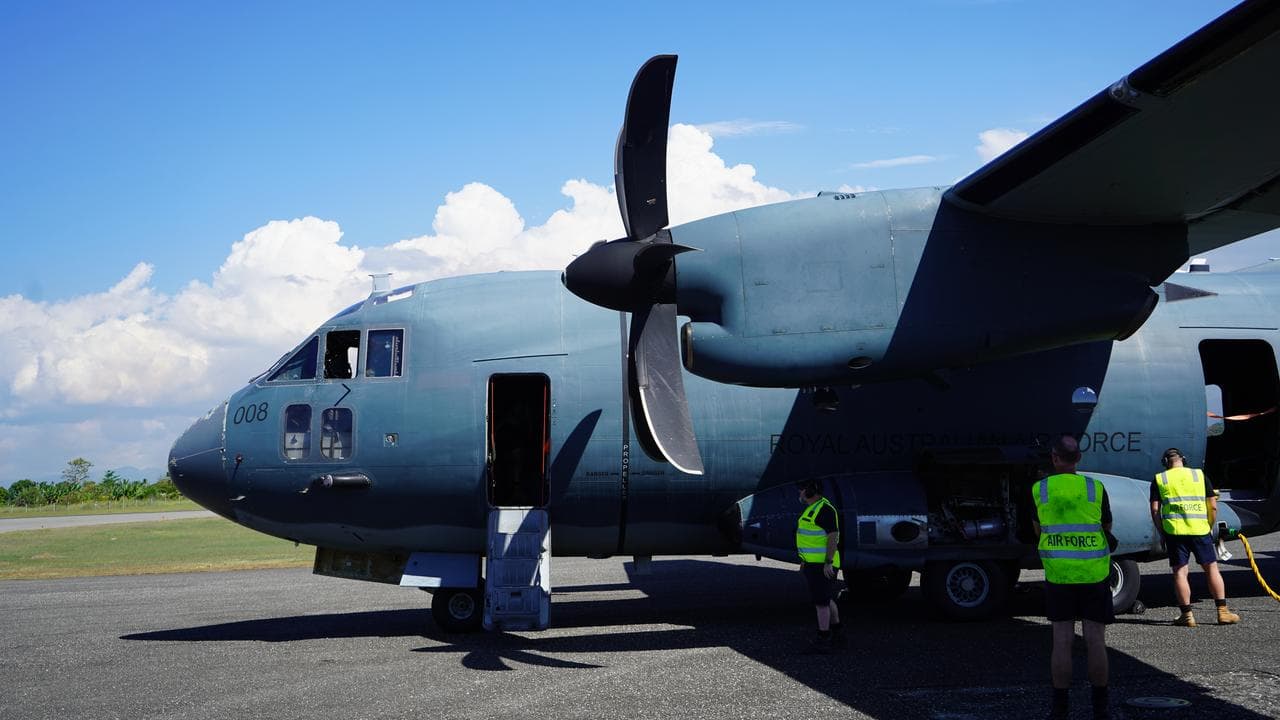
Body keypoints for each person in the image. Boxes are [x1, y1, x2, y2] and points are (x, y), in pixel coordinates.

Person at [1033, 435, 1113, 720]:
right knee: (1095, 640)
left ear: (1054, 458)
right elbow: (1106, 526)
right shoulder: (1095, 488)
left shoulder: (1039, 490)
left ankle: (1060, 710)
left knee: (1062, 641)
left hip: (1059, 576)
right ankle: (1100, 709)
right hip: (1095, 574)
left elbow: (1037, 530)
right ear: (1078, 458)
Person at [1150, 447, 1241, 627]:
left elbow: (1155, 510)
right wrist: (1208, 525)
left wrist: (1162, 533)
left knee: (1180, 572)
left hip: (1175, 532)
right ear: (1183, 459)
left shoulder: (1160, 479)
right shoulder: (1199, 476)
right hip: (1200, 530)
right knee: (1211, 569)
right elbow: (1213, 506)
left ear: (1165, 463)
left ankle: (1187, 615)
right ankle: (1222, 612)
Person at [796, 479, 843, 654]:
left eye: (802, 489)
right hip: (813, 563)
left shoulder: (825, 510)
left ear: (811, 491)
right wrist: (804, 561)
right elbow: (809, 538)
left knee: (821, 603)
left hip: (823, 564)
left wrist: (828, 562)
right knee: (825, 598)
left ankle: (824, 638)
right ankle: (838, 631)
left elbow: (833, 537)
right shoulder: (813, 508)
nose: (799, 493)